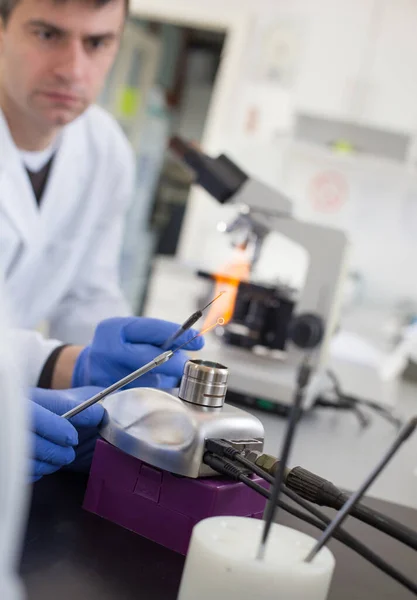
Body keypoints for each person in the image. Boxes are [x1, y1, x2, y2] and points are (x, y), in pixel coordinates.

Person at [0, 0, 137, 345]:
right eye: (47, 35)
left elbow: (87, 297)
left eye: (97, 43)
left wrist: (123, 355)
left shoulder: (105, 150)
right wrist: (53, 365)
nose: (73, 70)